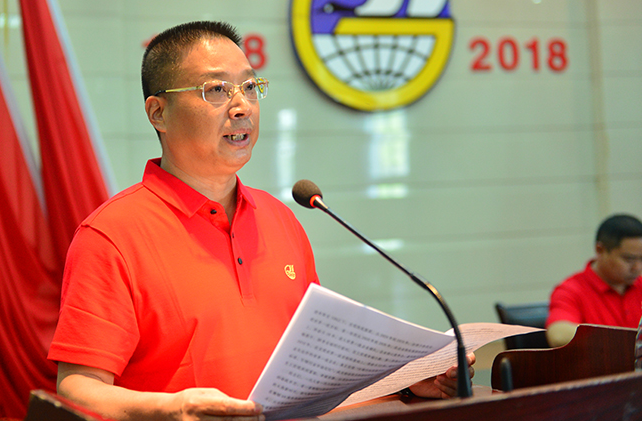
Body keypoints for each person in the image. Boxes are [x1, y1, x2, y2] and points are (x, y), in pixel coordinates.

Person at [48, 21, 473, 420]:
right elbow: (78, 388)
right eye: (217, 89)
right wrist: (170, 409)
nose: (241, 106)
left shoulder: (280, 217)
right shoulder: (112, 236)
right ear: (158, 112)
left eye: (250, 87)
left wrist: (407, 383)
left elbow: (315, 369)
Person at [546, 214, 642, 347]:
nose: (637, 267)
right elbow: (558, 336)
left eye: (641, 258)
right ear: (600, 250)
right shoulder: (571, 290)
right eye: (629, 259)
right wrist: (629, 341)